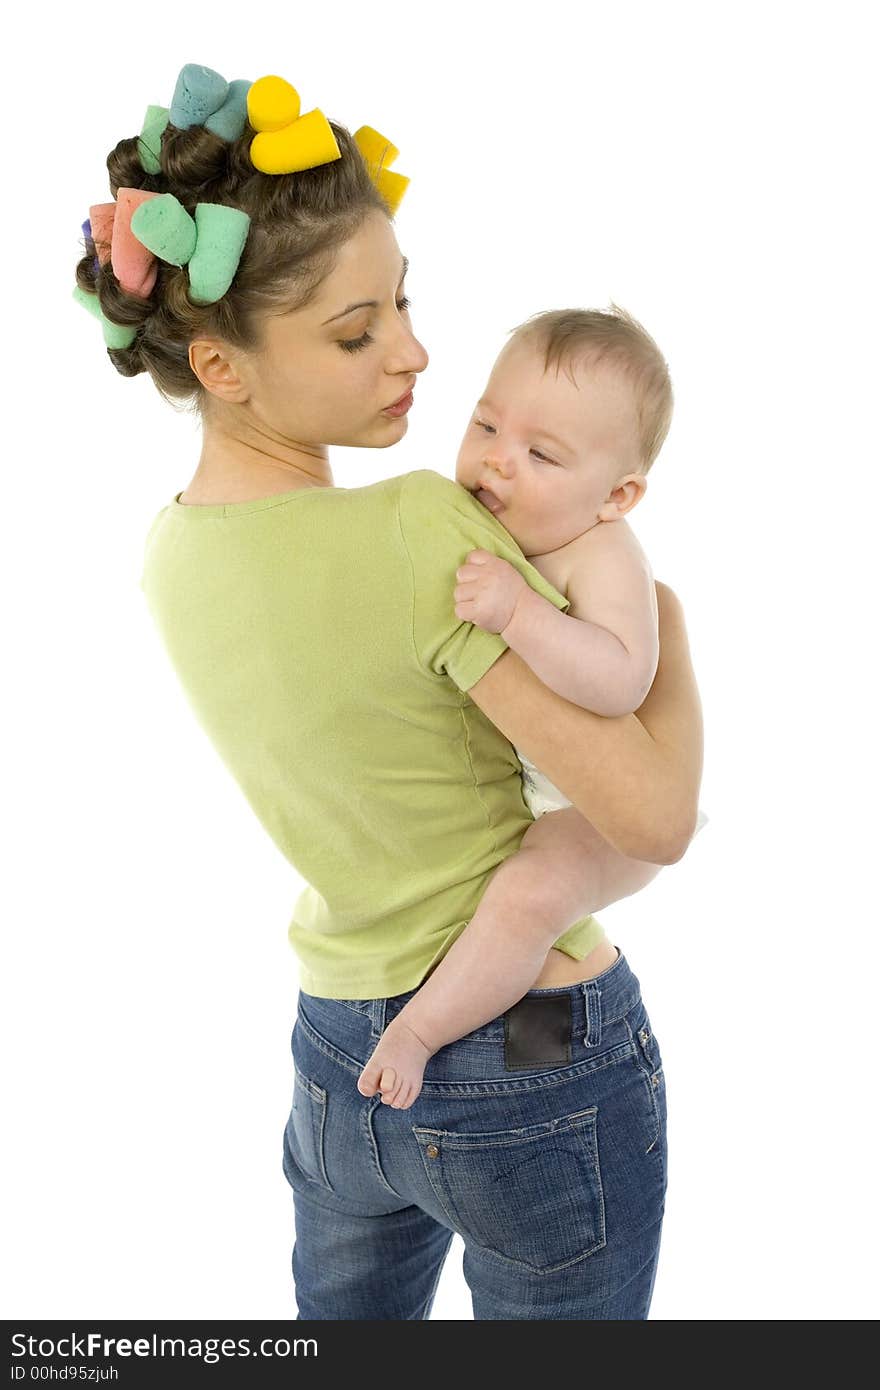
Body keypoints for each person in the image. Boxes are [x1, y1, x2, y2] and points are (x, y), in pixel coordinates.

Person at [75, 63, 704, 1319]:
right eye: (356, 332)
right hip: (527, 1060)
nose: (414, 351)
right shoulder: (424, 532)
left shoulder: (168, 554)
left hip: (334, 1058)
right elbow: (651, 819)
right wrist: (665, 622)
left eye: (403, 302)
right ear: (223, 362)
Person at [356, 310, 709, 1108]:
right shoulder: (488, 519)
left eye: (541, 453)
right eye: (486, 423)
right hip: (534, 782)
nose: (497, 461)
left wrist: (521, 615)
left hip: (594, 808)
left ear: (617, 495)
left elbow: (621, 680)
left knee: (529, 896)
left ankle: (418, 1033)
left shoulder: (601, 553)